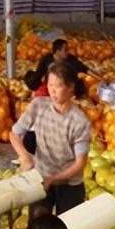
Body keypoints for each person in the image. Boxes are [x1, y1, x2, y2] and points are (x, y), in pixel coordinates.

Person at [10, 61, 92, 216]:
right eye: (50, 85)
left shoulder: (80, 121)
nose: (53, 91)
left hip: (69, 184)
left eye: (58, 86)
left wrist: (52, 179)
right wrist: (25, 156)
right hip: (41, 178)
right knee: (39, 227)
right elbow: (14, 133)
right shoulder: (38, 105)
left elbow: (80, 164)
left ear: (70, 87)